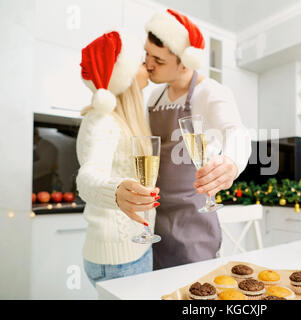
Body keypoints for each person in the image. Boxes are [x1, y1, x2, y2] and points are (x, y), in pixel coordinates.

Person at [138, 8, 251, 269]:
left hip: (194, 222)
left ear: (185, 62)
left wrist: (231, 163)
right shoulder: (153, 97)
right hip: (157, 220)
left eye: (159, 60)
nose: (148, 64)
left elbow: (237, 131)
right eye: (146, 54)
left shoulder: (210, 92)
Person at [76, 30, 160, 286]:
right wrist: (115, 191)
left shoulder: (125, 121)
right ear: (125, 77)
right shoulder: (104, 121)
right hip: (119, 262)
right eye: (140, 62)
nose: (147, 65)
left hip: (130, 253)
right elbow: (88, 177)